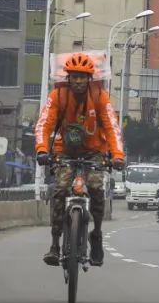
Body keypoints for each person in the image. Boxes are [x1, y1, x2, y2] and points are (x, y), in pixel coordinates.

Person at [34, 52, 125, 267]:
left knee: (95, 188)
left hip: (94, 152)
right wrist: (41, 150)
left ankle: (97, 235)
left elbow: (112, 127)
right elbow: (44, 124)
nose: (78, 81)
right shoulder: (58, 96)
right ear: (67, 78)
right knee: (60, 190)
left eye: (82, 77)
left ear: (90, 79)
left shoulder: (99, 97)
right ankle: (55, 244)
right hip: (64, 151)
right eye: (74, 77)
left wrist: (118, 155)